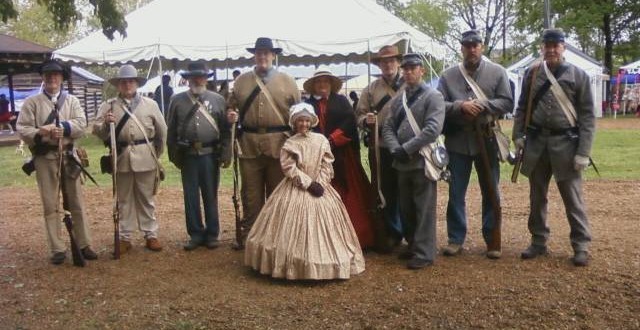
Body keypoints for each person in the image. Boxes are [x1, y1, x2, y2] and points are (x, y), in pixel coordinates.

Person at [244, 103, 365, 280]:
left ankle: (326, 262)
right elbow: (288, 167)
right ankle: (293, 263)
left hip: (320, 186)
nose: (304, 124)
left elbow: (326, 163)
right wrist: (308, 184)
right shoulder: (290, 143)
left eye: (306, 121)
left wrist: (321, 183)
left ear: (311, 122)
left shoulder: (321, 140)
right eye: (300, 121)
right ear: (294, 123)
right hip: (296, 187)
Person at [513, 29, 595, 267]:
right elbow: (521, 107)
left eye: (555, 45)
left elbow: (588, 117)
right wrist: (518, 135)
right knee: (537, 196)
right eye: (547, 45)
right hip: (537, 144)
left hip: (567, 144)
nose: (551, 49)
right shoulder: (533, 73)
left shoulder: (579, 76)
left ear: (563, 47)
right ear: (542, 47)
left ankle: (581, 245)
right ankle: (538, 241)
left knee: (573, 198)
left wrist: (583, 152)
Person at [437, 30, 514, 259]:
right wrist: (460, 106)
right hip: (458, 140)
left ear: (482, 46)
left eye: (475, 45)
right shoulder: (448, 75)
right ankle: (455, 239)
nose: (471, 49)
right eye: (467, 45)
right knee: (456, 192)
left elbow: (507, 102)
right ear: (462, 48)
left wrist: (482, 105)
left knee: (491, 190)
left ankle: (492, 239)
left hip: (487, 139)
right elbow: (439, 103)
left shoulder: (497, 72)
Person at [16, 59, 97, 265]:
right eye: (48, 74)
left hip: (69, 156)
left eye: (56, 74)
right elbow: (22, 128)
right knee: (50, 204)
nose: (52, 77)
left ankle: (84, 244)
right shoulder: (31, 103)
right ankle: (57, 248)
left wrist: (66, 129)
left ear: (62, 78)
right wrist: (40, 131)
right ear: (42, 77)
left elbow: (82, 123)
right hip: (45, 158)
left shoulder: (72, 101)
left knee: (76, 202)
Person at [226, 37, 301, 248]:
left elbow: (298, 113)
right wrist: (230, 114)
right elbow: (230, 107)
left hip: (280, 145)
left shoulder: (288, 81)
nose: (262, 56)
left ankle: (277, 236)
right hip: (249, 145)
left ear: (273, 55)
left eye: (266, 53)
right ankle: (251, 235)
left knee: (278, 192)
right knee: (251, 193)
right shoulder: (241, 81)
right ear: (254, 55)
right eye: (259, 53)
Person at [93, 64, 167, 254]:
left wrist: (154, 154)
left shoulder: (151, 104)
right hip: (121, 158)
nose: (127, 85)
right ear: (118, 85)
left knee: (146, 198)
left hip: (146, 156)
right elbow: (97, 131)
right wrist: (105, 124)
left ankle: (151, 234)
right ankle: (125, 236)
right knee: (124, 199)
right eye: (124, 82)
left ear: (137, 83)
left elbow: (162, 132)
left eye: (131, 81)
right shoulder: (108, 105)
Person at [382, 53, 445, 269]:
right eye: (405, 69)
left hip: (422, 159)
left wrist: (406, 148)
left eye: (413, 68)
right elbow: (388, 126)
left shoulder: (433, 96)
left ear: (422, 71)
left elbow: (432, 129)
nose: (408, 72)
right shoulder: (399, 98)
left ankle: (425, 252)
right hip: (401, 161)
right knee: (406, 207)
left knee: (424, 207)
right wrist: (393, 147)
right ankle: (413, 244)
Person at [303, 68, 376, 249]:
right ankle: (322, 237)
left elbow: (349, 123)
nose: (322, 85)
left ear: (331, 85)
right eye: (319, 82)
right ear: (313, 86)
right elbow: (302, 124)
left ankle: (352, 236)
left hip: (342, 155)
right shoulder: (307, 104)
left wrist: (332, 140)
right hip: (316, 156)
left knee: (347, 193)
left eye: (326, 82)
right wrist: (318, 144)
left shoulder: (341, 101)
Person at [167, 63, 230, 251]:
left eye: (201, 76)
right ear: (188, 78)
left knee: (211, 195)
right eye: (193, 76)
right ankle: (195, 233)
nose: (197, 80)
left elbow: (226, 130)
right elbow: (171, 130)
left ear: (206, 78)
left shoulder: (218, 100)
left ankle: (212, 233)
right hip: (188, 155)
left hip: (211, 155)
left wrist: (226, 153)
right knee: (191, 196)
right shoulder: (177, 100)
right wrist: (175, 156)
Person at [355, 45, 405, 247]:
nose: (388, 64)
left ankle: (411, 232)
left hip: (406, 145)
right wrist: (365, 121)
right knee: (387, 191)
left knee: (407, 191)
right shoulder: (371, 89)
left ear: (398, 62)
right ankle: (393, 231)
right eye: (384, 61)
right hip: (381, 146)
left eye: (392, 60)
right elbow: (358, 115)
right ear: (379, 65)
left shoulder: (409, 85)